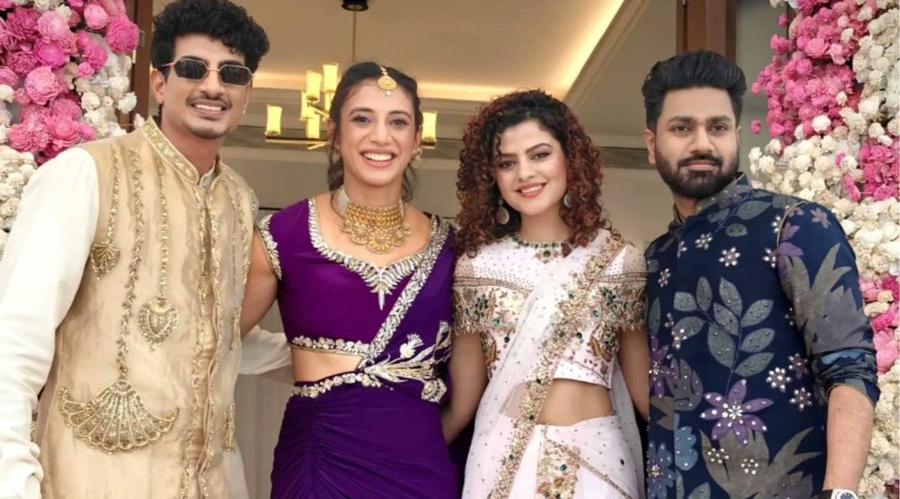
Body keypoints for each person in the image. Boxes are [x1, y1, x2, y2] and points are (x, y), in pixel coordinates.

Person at [0, 0, 290, 498]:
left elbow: (216, 339)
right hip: (90, 483)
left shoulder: (239, 201)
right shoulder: (85, 174)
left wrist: (336, 357)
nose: (214, 86)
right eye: (194, 68)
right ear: (159, 81)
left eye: (233, 75)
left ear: (247, 95)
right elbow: (15, 343)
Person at [641, 50, 878, 499]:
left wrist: (841, 494)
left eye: (717, 127)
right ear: (652, 144)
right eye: (681, 128)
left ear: (735, 135)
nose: (702, 144)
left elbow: (850, 369)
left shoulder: (795, 226)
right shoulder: (654, 259)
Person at [239, 61, 458, 498]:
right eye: (362, 119)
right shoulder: (284, 234)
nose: (381, 136)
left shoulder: (451, 247)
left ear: (416, 140)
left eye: (398, 122)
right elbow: (212, 342)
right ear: (335, 133)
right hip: (323, 457)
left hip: (421, 463)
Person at [446, 89, 649, 498]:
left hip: (601, 461)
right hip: (504, 461)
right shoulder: (476, 268)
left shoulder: (619, 260)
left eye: (539, 155)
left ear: (569, 160)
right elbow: (463, 402)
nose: (524, 173)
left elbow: (645, 393)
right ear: (491, 177)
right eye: (507, 163)